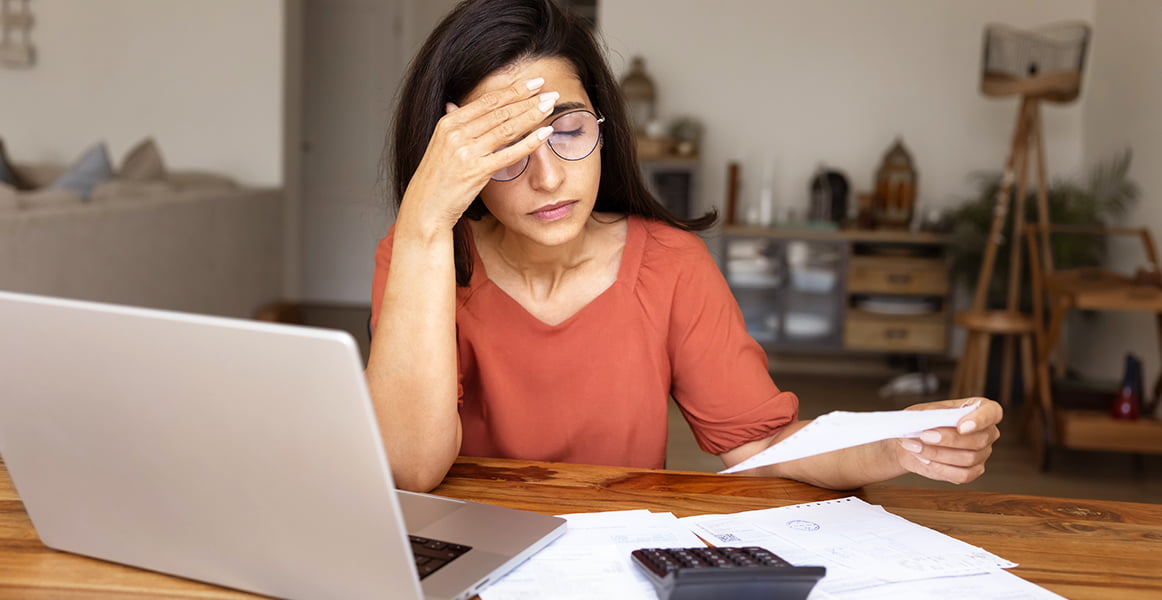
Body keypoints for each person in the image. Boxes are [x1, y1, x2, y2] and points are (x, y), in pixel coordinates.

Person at [366, 0, 1002, 493]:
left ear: (603, 125)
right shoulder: (417, 257)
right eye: (507, 148)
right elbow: (409, 471)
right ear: (455, 159)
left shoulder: (669, 264)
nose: (550, 176)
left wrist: (897, 443)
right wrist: (425, 220)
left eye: (568, 130)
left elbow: (760, 446)